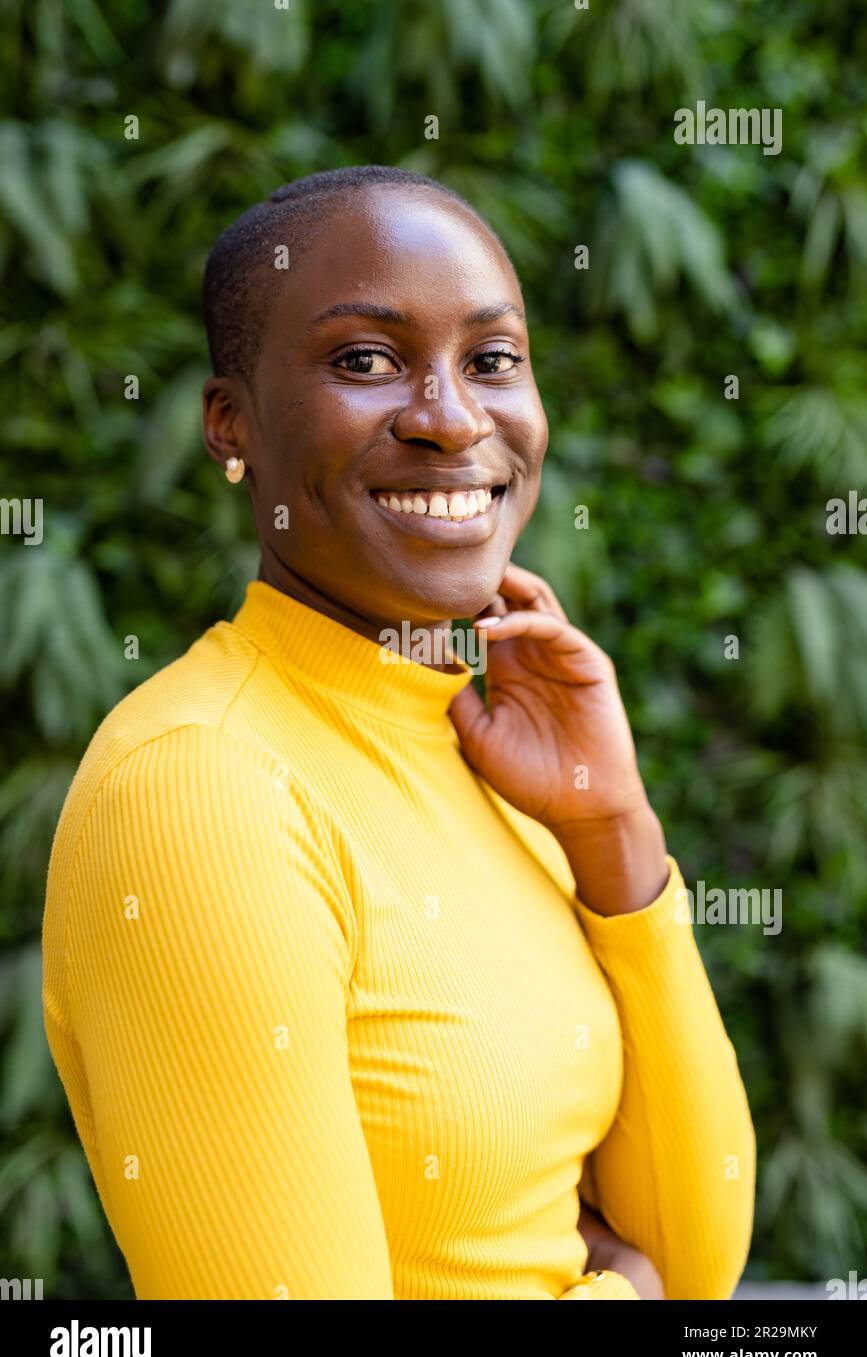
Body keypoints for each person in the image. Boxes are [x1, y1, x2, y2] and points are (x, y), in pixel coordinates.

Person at [41, 165, 755, 1300]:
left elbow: (702, 1255)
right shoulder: (198, 792)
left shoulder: (491, 751)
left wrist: (615, 834)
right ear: (234, 428)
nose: (452, 418)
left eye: (491, 360)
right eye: (366, 361)